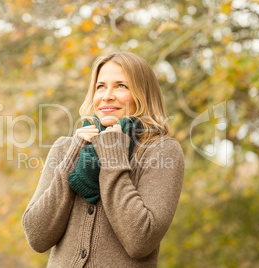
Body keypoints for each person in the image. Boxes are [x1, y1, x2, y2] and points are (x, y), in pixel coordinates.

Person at [22, 52, 185, 267]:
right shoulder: (66, 147)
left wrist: (113, 155)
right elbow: (37, 236)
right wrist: (73, 155)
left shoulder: (162, 151)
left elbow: (140, 240)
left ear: (142, 95)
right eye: (100, 87)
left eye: (121, 86)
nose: (107, 96)